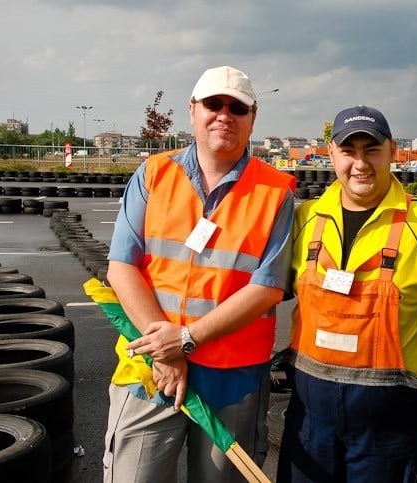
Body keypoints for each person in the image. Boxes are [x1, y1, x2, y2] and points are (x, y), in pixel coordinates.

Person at [103, 65, 296, 482]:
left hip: (233, 380)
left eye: (237, 107)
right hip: (151, 374)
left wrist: (186, 340)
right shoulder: (153, 175)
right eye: (213, 104)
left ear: (252, 117)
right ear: (193, 111)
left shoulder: (276, 191)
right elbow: (121, 267)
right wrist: (167, 351)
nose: (224, 114)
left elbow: (267, 288)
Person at [277, 105, 417, 482]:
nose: (361, 163)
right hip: (311, 421)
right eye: (349, 150)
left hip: (390, 429)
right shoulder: (304, 219)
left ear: (392, 151)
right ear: (332, 154)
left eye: (372, 149)